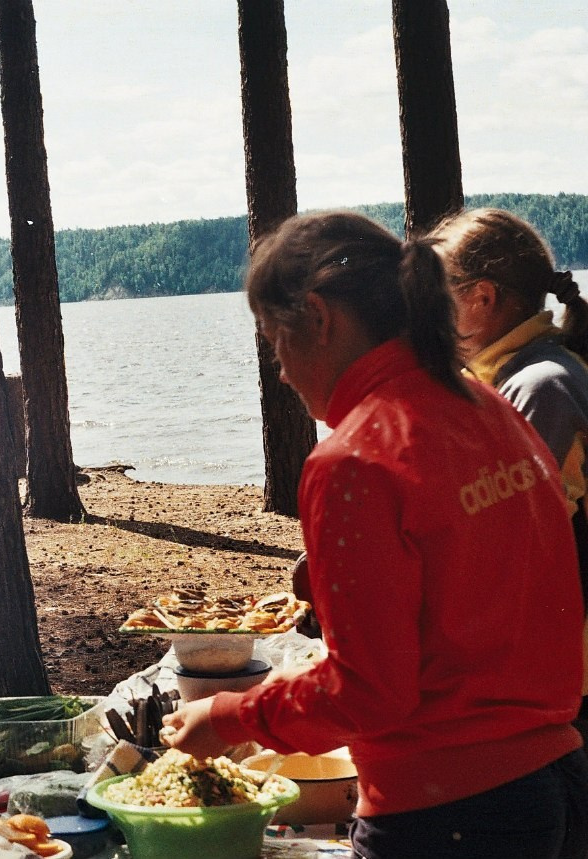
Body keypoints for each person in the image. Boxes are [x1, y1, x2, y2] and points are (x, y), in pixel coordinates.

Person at [163, 211, 588, 859]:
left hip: (447, 812)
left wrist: (228, 716)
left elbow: (369, 691)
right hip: (554, 782)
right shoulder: (490, 407)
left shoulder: (354, 459)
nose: (279, 369)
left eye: (276, 339)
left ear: (318, 315)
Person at [431, 208, 588, 584]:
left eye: (436, 296)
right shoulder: (506, 376)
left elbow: (512, 547)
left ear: (482, 297)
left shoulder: (540, 387)